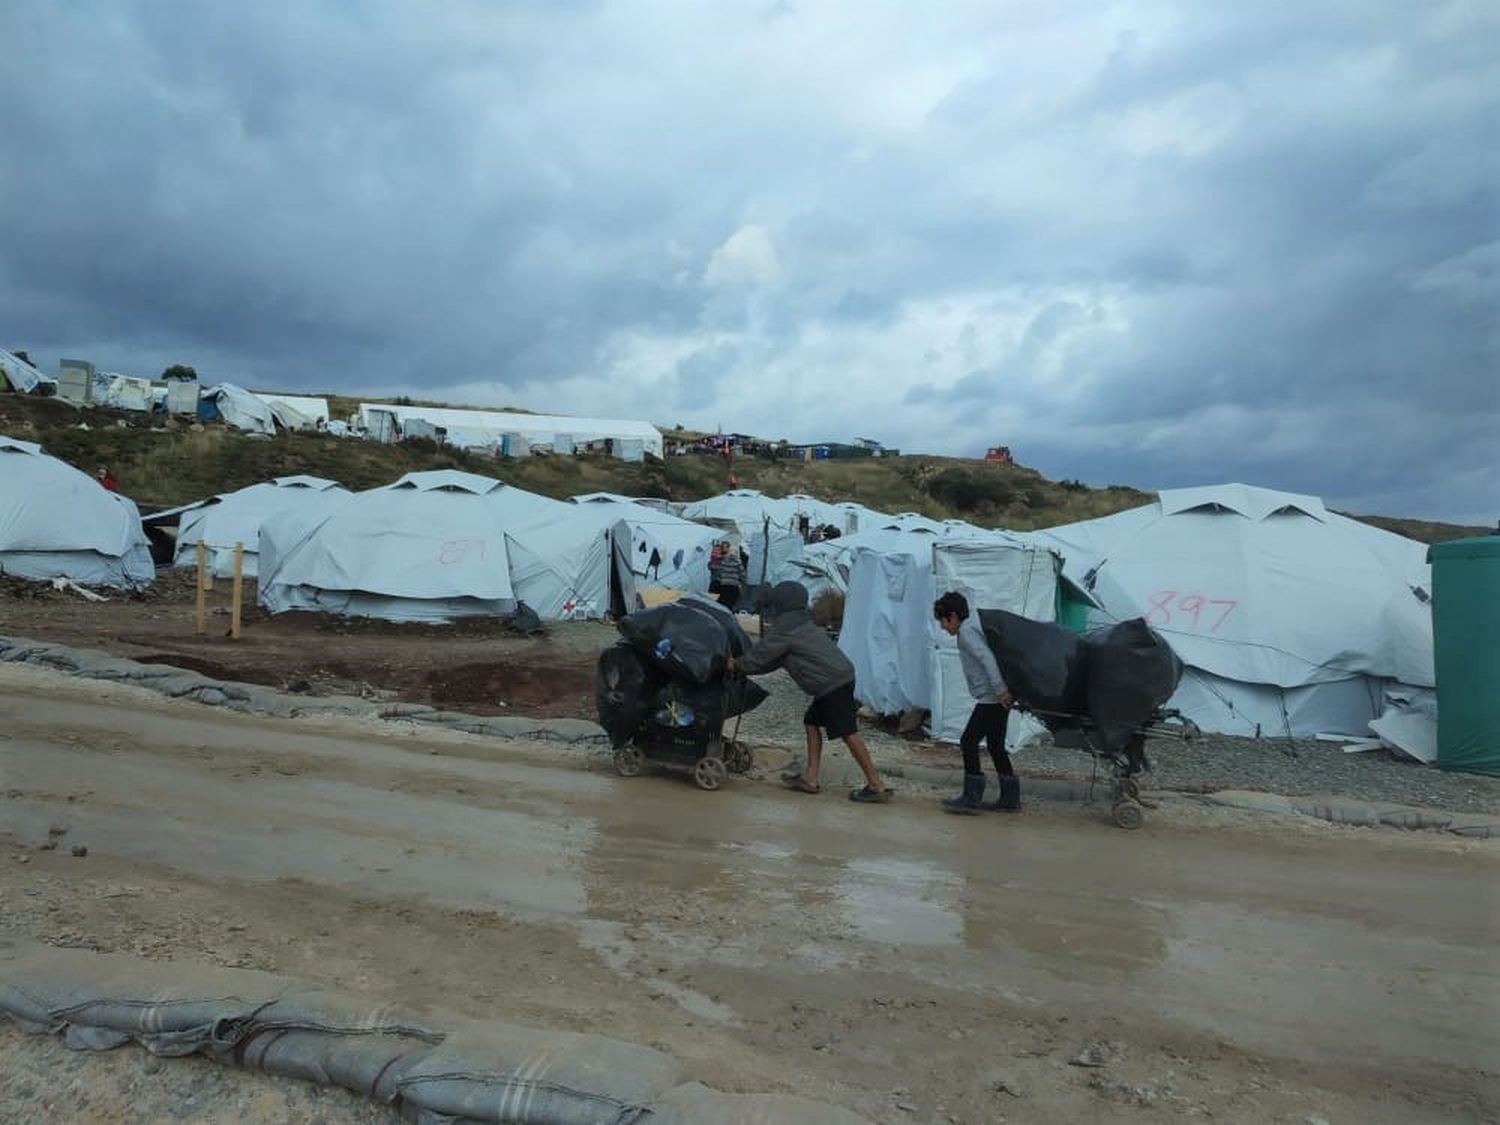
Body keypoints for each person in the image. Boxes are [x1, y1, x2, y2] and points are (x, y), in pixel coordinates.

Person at [729, 581, 893, 803]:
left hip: (831, 684)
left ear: (781, 603)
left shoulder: (786, 628)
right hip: (837, 678)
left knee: (848, 732)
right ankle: (811, 779)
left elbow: (762, 655)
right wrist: (745, 667)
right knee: (811, 722)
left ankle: (876, 785)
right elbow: (774, 660)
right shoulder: (800, 623)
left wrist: (736, 665)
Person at [932, 591, 1021, 814]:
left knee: (968, 741)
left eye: (943, 621)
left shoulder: (967, 632)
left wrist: (1000, 690)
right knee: (995, 746)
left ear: (952, 616)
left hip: (992, 698)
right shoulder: (974, 626)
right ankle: (1010, 799)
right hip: (996, 697)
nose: (943, 627)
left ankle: (971, 798)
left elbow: (986, 658)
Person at [713, 540, 745, 612]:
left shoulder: (720, 561)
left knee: (721, 607)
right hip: (734, 587)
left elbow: (715, 572)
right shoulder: (737, 561)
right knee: (730, 607)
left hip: (723, 586)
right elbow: (742, 574)